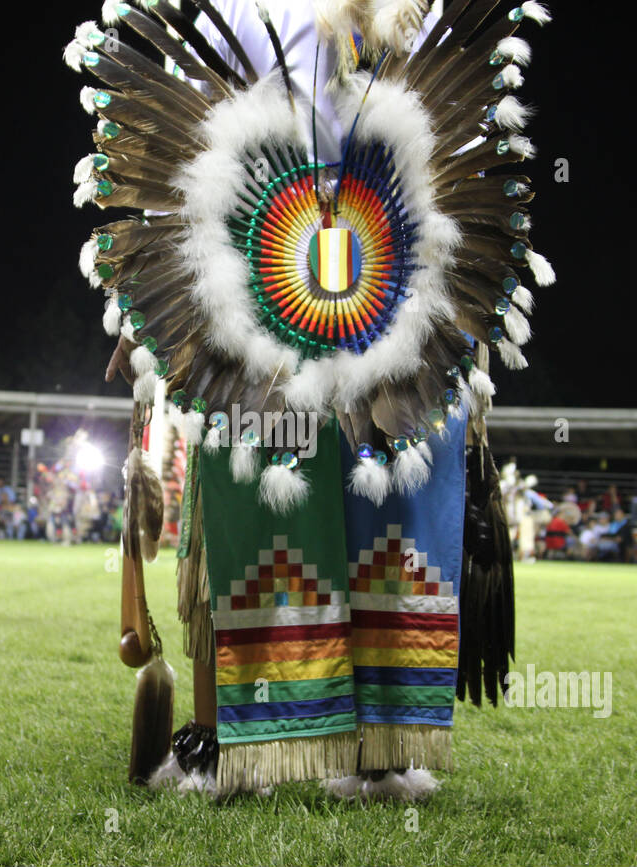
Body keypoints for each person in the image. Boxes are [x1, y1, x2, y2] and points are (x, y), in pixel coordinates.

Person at [69, 0, 555, 798]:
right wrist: (154, 304)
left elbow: (454, 151)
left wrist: (462, 314)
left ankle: (337, 752)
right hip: (265, 286)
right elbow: (189, 151)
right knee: (257, 498)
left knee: (378, 505)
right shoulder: (249, 9)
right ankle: (253, 747)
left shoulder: (408, 17)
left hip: (386, 291)